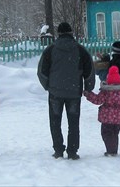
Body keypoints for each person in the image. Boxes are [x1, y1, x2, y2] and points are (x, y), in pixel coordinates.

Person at [37, 22, 95, 160]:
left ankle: (58, 149)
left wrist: (48, 86)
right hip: (74, 92)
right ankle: (72, 150)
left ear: (58, 33)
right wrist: (88, 87)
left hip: (55, 92)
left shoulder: (50, 50)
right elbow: (89, 70)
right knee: (73, 122)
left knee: (55, 122)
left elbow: (41, 71)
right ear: (71, 33)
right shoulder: (80, 50)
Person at [84, 65, 120, 156]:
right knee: (114, 134)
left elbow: (97, 100)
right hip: (118, 118)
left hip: (107, 118)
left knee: (106, 134)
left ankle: (111, 151)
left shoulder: (106, 91)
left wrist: (88, 94)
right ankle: (113, 150)